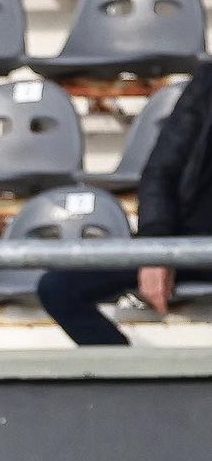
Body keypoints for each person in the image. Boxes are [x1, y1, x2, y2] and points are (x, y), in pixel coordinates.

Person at [37, 62, 212, 345]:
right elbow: (160, 171)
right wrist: (156, 251)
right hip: (184, 242)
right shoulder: (208, 80)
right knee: (59, 287)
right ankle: (127, 373)